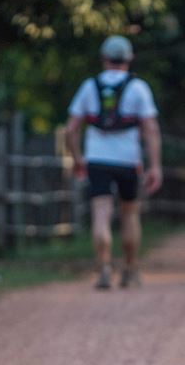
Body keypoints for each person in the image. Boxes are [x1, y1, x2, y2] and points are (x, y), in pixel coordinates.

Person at [66, 35, 162, 289]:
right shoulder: (139, 88)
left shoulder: (89, 87)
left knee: (101, 214)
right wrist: (155, 165)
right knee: (130, 214)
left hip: (97, 159)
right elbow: (151, 129)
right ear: (129, 59)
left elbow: (70, 130)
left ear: (104, 59)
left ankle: (104, 268)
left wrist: (77, 159)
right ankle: (130, 269)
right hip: (128, 161)